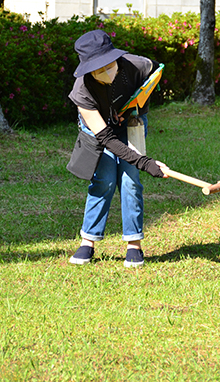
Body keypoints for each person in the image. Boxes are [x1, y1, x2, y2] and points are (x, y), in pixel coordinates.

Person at [67, 30, 168, 268]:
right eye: (99, 68)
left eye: (109, 64)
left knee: (130, 180)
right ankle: (88, 241)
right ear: (88, 68)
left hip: (130, 122)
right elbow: (105, 136)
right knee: (104, 179)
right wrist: (146, 163)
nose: (106, 71)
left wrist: (135, 111)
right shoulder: (82, 89)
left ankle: (134, 244)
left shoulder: (138, 65)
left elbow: (155, 75)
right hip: (98, 129)